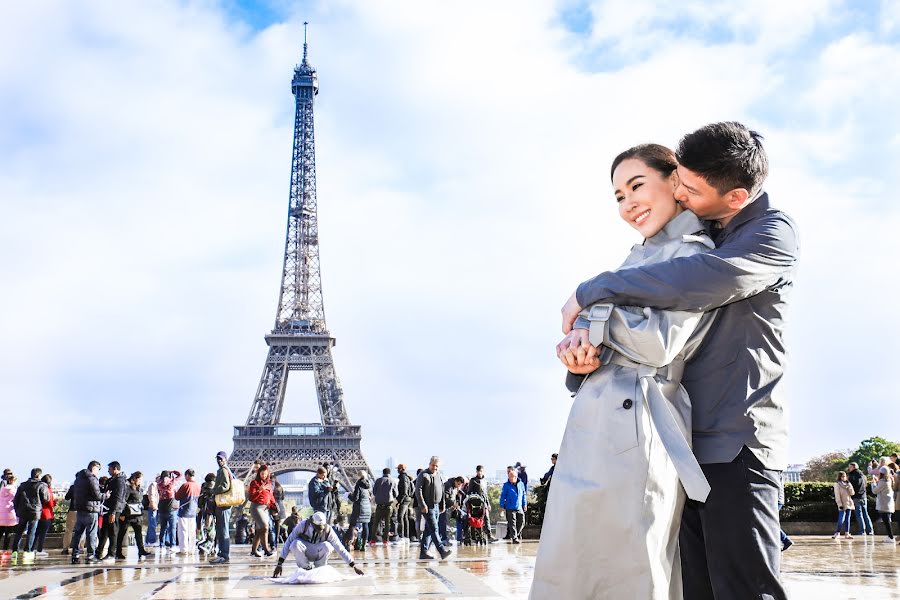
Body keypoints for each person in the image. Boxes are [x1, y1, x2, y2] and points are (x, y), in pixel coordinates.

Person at [557, 123, 798, 600]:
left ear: (736, 196)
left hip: (736, 439)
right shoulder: (682, 239)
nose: (679, 192)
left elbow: (707, 278)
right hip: (681, 443)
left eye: (688, 187)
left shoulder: (767, 234)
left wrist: (590, 290)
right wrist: (582, 353)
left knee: (746, 589)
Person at [533, 143, 718, 599]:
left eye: (636, 185)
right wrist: (579, 353)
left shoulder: (694, 252)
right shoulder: (641, 257)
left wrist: (593, 320)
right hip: (602, 419)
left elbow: (660, 342)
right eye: (617, 196)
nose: (627, 203)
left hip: (639, 424)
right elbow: (618, 336)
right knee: (575, 565)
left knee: (630, 569)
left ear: (676, 182)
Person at [272, 511, 364, 577]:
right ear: (312, 522)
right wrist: (280, 563)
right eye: (317, 527)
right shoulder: (303, 525)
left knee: (328, 546)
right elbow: (288, 542)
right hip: (305, 551)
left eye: (321, 527)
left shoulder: (328, 530)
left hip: (319, 552)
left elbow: (339, 547)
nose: (319, 529)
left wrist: (353, 565)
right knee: (294, 544)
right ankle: (306, 568)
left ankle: (319, 568)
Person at [415, 456, 451, 561]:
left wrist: (442, 505)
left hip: (436, 506)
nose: (435, 467)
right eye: (433, 465)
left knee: (428, 530)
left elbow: (442, 491)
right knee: (435, 529)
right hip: (428, 507)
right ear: (429, 464)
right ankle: (442, 551)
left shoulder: (438, 475)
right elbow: (418, 490)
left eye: (437, 466)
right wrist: (422, 505)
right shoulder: (423, 475)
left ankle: (424, 552)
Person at [70, 460, 103, 564]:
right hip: (91, 510)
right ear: (94, 468)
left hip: (80, 509)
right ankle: (90, 555)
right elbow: (97, 495)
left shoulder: (78, 479)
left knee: (78, 533)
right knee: (91, 533)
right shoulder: (92, 479)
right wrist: (106, 495)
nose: (98, 472)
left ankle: (75, 554)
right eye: (98, 469)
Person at [13, 468, 51, 555]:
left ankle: (15, 551)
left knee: (19, 531)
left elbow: (16, 499)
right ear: (38, 475)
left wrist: (17, 510)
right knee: (31, 531)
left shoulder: (22, 485)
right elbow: (46, 499)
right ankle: (28, 551)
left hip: (23, 511)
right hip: (35, 511)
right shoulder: (42, 485)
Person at [117, 471, 150, 559]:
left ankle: (141, 550)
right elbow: (123, 501)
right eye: (139, 479)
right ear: (135, 478)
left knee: (138, 534)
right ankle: (118, 552)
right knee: (122, 533)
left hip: (137, 515)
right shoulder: (128, 488)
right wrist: (122, 513)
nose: (140, 481)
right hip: (128, 515)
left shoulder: (140, 489)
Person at [247, 463, 277, 557]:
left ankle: (254, 550)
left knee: (260, 530)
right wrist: (259, 490)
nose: (263, 475)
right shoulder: (254, 483)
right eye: (262, 473)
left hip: (265, 508)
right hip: (256, 508)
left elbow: (271, 496)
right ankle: (266, 550)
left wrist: (274, 506)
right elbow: (251, 497)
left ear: (268, 474)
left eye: (265, 474)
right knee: (265, 527)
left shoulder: (269, 483)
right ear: (259, 473)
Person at [98, 461, 126, 560]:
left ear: (115, 469)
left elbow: (118, 497)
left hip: (113, 510)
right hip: (108, 509)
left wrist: (113, 512)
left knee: (113, 532)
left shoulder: (119, 481)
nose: (108, 471)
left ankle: (111, 553)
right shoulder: (112, 480)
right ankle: (99, 552)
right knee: (104, 532)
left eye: (109, 469)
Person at [209, 451, 234, 564]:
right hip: (223, 504)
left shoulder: (224, 470)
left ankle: (224, 555)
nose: (219, 461)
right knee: (221, 529)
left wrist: (213, 490)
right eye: (218, 459)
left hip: (223, 504)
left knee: (223, 530)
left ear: (225, 459)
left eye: (221, 459)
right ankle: (222, 553)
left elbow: (225, 486)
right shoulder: (224, 469)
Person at [467, 466, 498, 543]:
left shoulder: (484, 481)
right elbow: (469, 492)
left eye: (481, 471)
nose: (479, 472)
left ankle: (489, 535)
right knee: (476, 519)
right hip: (475, 504)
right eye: (478, 471)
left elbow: (485, 494)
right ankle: (475, 536)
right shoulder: (473, 480)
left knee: (487, 519)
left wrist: (488, 504)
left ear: (483, 471)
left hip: (484, 503)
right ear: (476, 472)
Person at [175, 469, 201, 556]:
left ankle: (183, 550)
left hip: (184, 511)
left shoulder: (185, 485)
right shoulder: (198, 486)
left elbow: (177, 497)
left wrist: (175, 491)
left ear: (187, 475)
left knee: (183, 531)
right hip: (193, 512)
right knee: (192, 532)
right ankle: (192, 550)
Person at [156, 469, 182, 553]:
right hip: (171, 509)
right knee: (172, 528)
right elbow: (180, 475)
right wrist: (173, 471)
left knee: (163, 528)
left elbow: (157, 479)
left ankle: (161, 546)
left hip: (162, 508)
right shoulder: (172, 483)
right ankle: (172, 545)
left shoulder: (159, 484)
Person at [500, 468, 527, 544]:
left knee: (522, 522)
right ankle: (514, 538)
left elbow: (524, 495)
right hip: (510, 507)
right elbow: (503, 496)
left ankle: (515, 535)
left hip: (519, 507)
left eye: (511, 477)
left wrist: (524, 504)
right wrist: (501, 506)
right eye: (509, 477)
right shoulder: (506, 485)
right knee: (512, 524)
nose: (510, 478)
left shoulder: (521, 484)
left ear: (515, 477)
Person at [346, 472, 373, 549]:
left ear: (359, 476)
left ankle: (349, 544)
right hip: (367, 508)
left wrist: (349, 495)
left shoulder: (359, 484)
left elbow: (355, 498)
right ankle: (363, 545)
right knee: (365, 525)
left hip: (359, 508)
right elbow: (369, 497)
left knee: (352, 525)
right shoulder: (369, 484)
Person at [372, 468, 398, 545]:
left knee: (376, 523)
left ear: (383, 473)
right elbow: (396, 494)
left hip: (379, 505)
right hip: (388, 505)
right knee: (387, 523)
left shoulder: (378, 480)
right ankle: (385, 540)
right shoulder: (392, 481)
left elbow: (374, 492)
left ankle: (373, 539)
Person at [847, 463, 874, 536]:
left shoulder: (852, 476)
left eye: (849, 467)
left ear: (853, 467)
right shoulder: (863, 476)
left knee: (859, 514)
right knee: (865, 513)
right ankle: (870, 530)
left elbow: (851, 487)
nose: (849, 468)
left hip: (856, 497)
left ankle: (862, 531)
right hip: (864, 496)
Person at [872, 468, 896, 543]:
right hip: (888, 504)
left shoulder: (883, 482)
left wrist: (873, 483)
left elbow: (875, 491)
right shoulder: (889, 480)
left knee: (886, 522)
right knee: (887, 521)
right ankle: (890, 536)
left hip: (884, 504)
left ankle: (891, 537)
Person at [33, 474, 55, 557]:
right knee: (43, 534)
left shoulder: (37, 487)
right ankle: (39, 549)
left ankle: (31, 549)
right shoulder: (47, 489)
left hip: (38, 512)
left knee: (35, 533)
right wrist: (54, 502)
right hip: (46, 514)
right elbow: (50, 503)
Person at [439, 476, 464, 546]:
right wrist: (453, 504)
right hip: (443, 507)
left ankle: (442, 539)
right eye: (458, 484)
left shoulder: (454, 487)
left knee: (444, 523)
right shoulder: (448, 485)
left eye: (460, 485)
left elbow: (454, 497)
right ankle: (443, 539)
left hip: (448, 507)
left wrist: (455, 504)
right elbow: (446, 498)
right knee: (442, 523)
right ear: (455, 481)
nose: (459, 486)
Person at [197, 473, 218, 555]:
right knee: (213, 531)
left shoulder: (203, 486)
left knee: (204, 529)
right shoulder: (215, 486)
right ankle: (212, 548)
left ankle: (203, 546)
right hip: (213, 511)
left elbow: (200, 500)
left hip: (204, 511)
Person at [832, 471, 854, 539]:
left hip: (849, 503)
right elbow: (837, 495)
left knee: (848, 519)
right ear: (839, 477)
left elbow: (852, 493)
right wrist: (839, 504)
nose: (844, 478)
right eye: (842, 476)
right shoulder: (837, 484)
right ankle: (837, 532)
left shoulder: (848, 484)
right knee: (841, 519)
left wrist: (849, 486)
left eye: (845, 476)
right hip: (842, 503)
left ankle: (847, 533)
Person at [395, 464, 414, 544]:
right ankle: (406, 537)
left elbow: (404, 490)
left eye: (398, 469)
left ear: (401, 469)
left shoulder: (402, 477)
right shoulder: (406, 477)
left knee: (400, 517)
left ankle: (402, 537)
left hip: (404, 499)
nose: (397, 470)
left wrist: (399, 501)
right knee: (405, 517)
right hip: (408, 499)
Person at [0, 475, 18, 554]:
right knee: (8, 533)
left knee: (0, 532)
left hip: (1, 512)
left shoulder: (2, 489)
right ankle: (5, 549)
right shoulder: (14, 490)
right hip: (10, 513)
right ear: (13, 481)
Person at [271, 475, 285, 549]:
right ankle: (276, 542)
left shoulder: (271, 487)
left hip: (273, 507)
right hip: (280, 508)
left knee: (271, 526)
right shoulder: (280, 487)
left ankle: (272, 543)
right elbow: (283, 498)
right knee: (277, 527)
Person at [145, 475, 159, 546]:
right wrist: (153, 504)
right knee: (152, 524)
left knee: (152, 524)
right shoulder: (154, 484)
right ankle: (151, 541)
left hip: (157, 506)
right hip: (153, 507)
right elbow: (151, 495)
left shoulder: (160, 485)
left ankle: (147, 541)